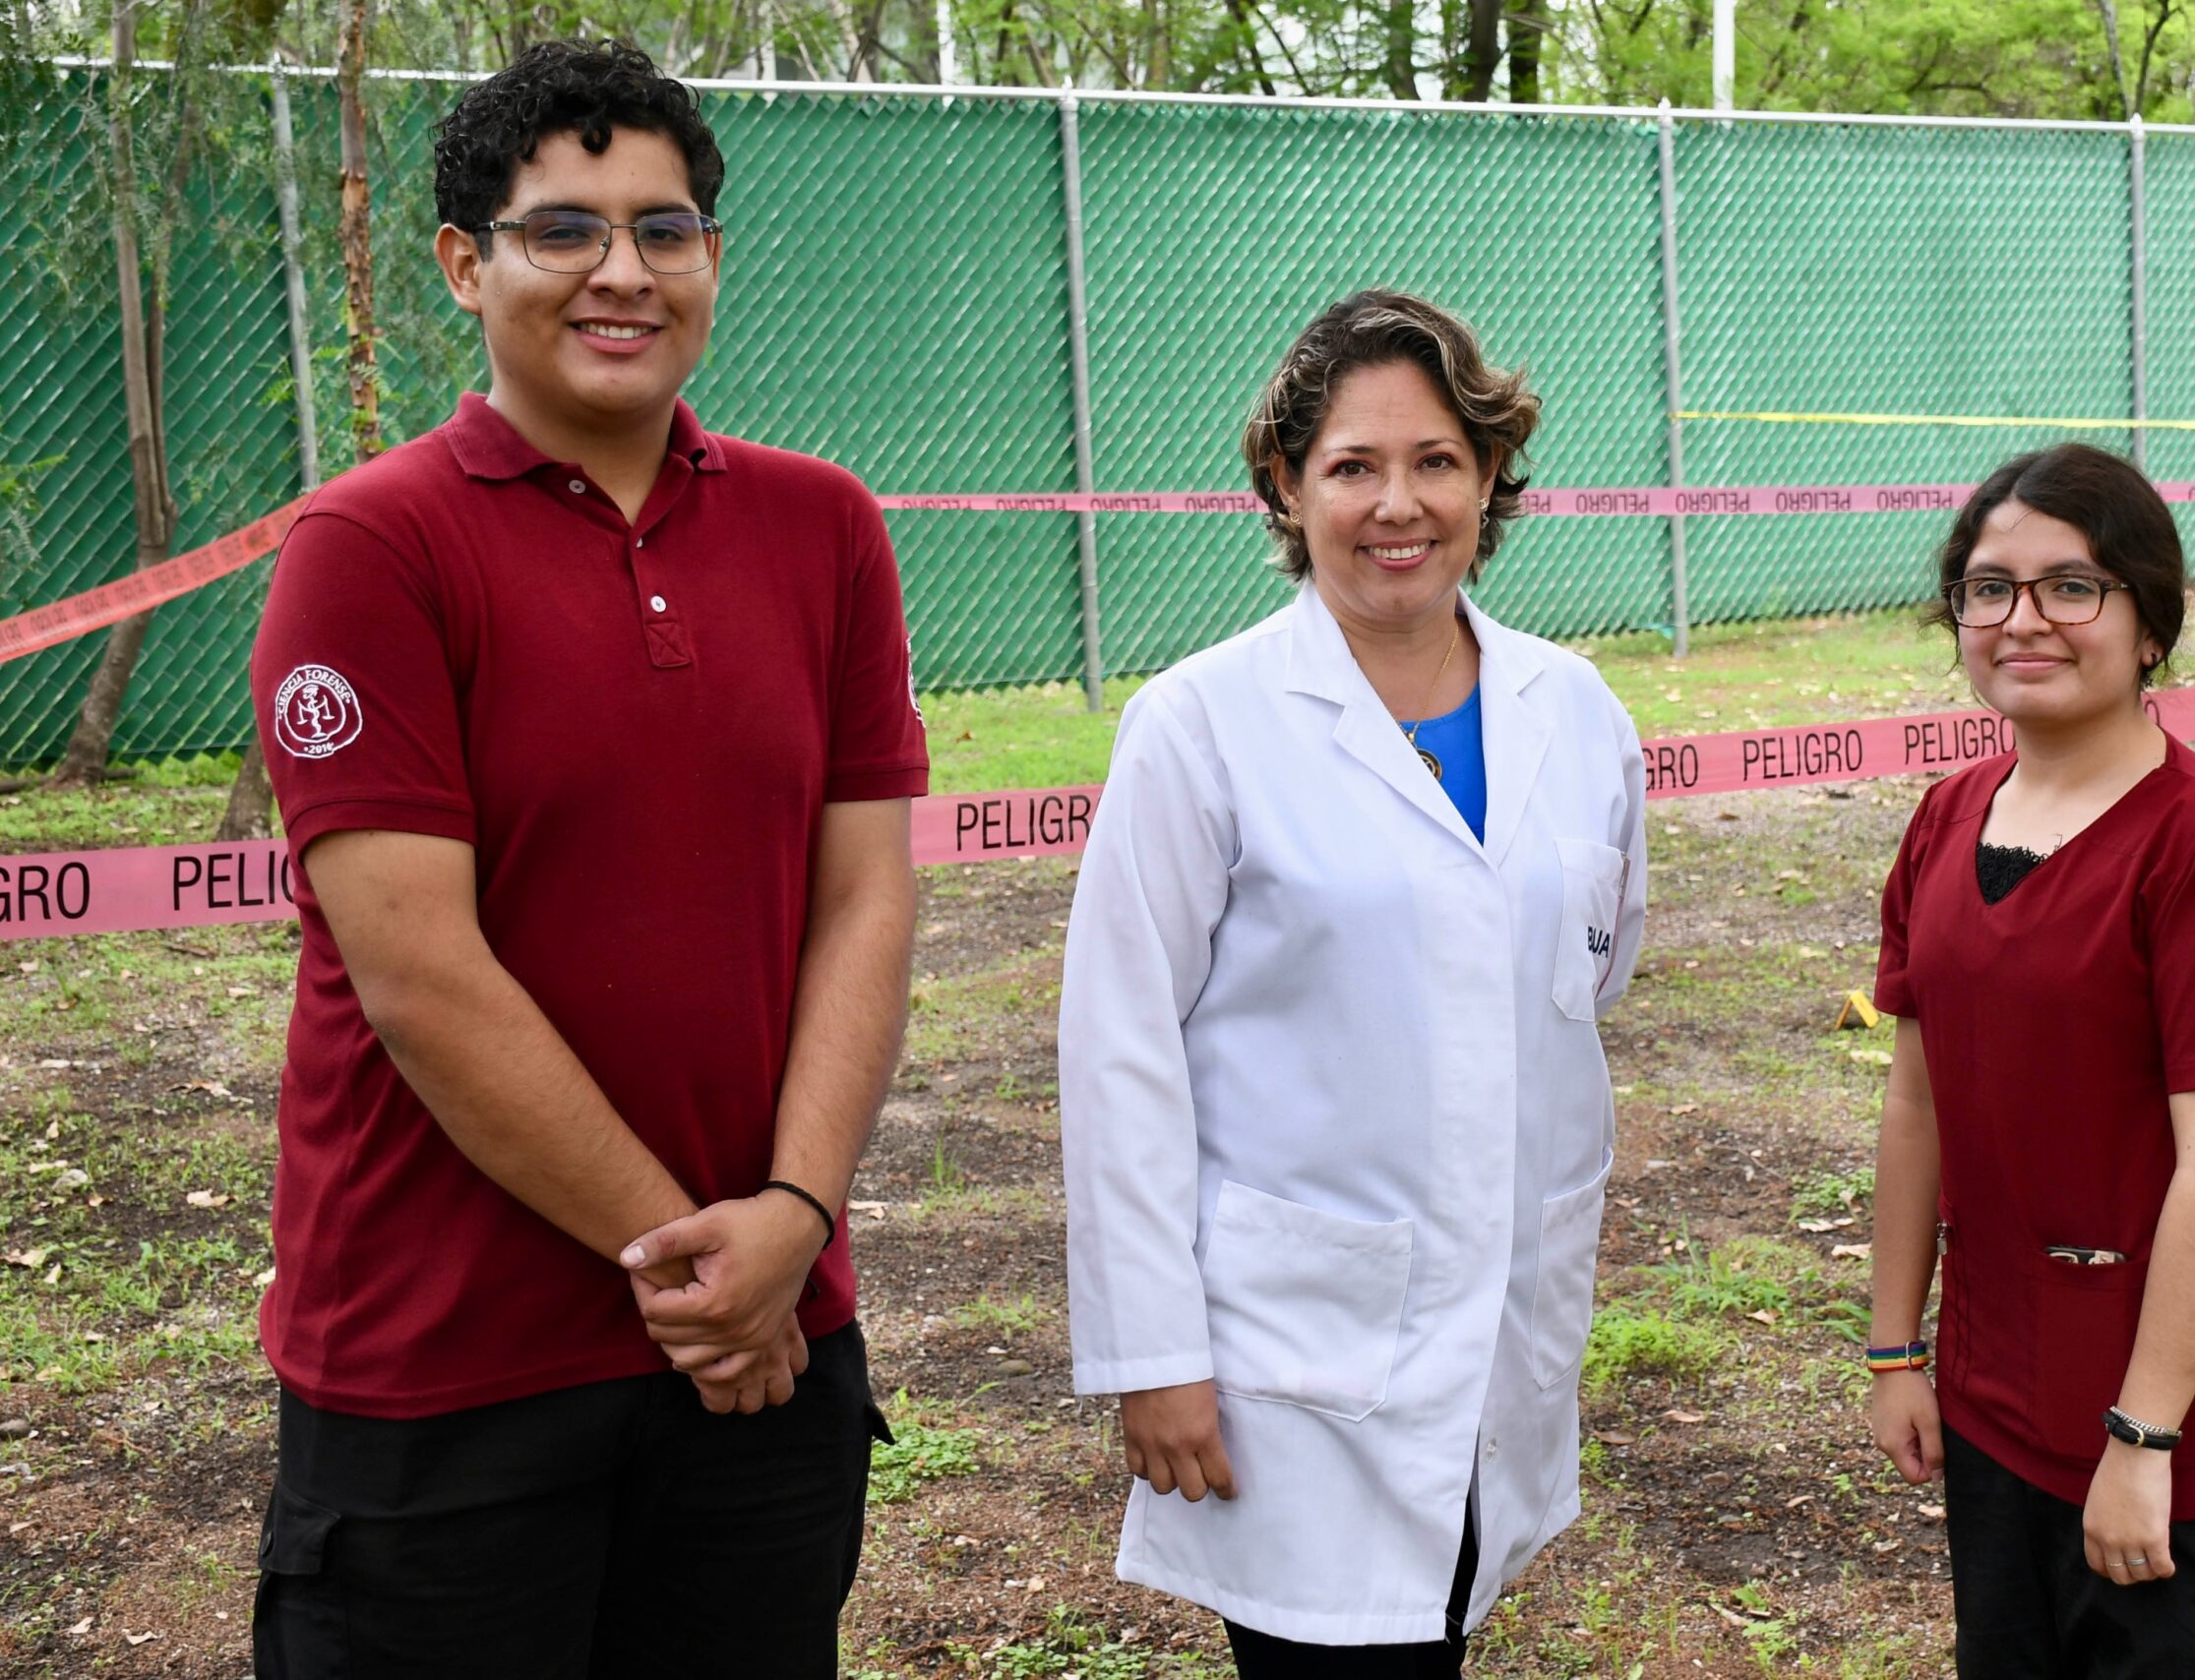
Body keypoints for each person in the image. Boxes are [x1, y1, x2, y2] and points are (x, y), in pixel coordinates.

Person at [245, 39, 924, 1677]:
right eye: (565, 229)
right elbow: (423, 976)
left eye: (666, 226)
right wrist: (702, 1272)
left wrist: (792, 1216)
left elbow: (866, 896)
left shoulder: (823, 526)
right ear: (465, 265)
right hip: (450, 1374)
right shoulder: (371, 548)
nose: (623, 270)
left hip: (765, 1356)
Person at [1058, 290, 1649, 1674]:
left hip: (1497, 1318)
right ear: (1286, 482)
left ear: (1491, 473)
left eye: (1438, 460)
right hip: (1289, 1355)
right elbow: (1119, 1055)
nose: (1401, 504)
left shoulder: (1574, 711)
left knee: (1440, 1622)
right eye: (1353, 467)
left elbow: (1596, 967)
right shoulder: (1199, 725)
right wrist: (1155, 1353)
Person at [1864, 443, 2195, 1678]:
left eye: (2071, 586)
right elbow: (1915, 1101)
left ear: (2146, 623)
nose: (2024, 619)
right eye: (1987, 587)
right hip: (1990, 1376)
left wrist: (2145, 1438)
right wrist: (1893, 1349)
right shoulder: (1944, 817)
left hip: (2167, 1398)